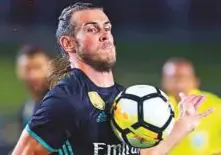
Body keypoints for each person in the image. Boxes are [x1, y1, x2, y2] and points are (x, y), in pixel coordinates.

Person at [12, 3, 212, 155]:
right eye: (92, 29)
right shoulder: (67, 99)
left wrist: (183, 125)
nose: (105, 35)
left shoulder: (122, 98)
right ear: (69, 44)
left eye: (107, 28)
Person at [161, 57, 221, 155]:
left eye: (183, 76)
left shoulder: (216, 105)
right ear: (164, 81)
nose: (178, 81)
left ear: (195, 80)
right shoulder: (157, 107)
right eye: (173, 77)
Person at [16, 45, 53, 130]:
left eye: (38, 67)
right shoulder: (26, 110)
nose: (33, 75)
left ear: (52, 67)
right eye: (27, 69)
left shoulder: (66, 102)